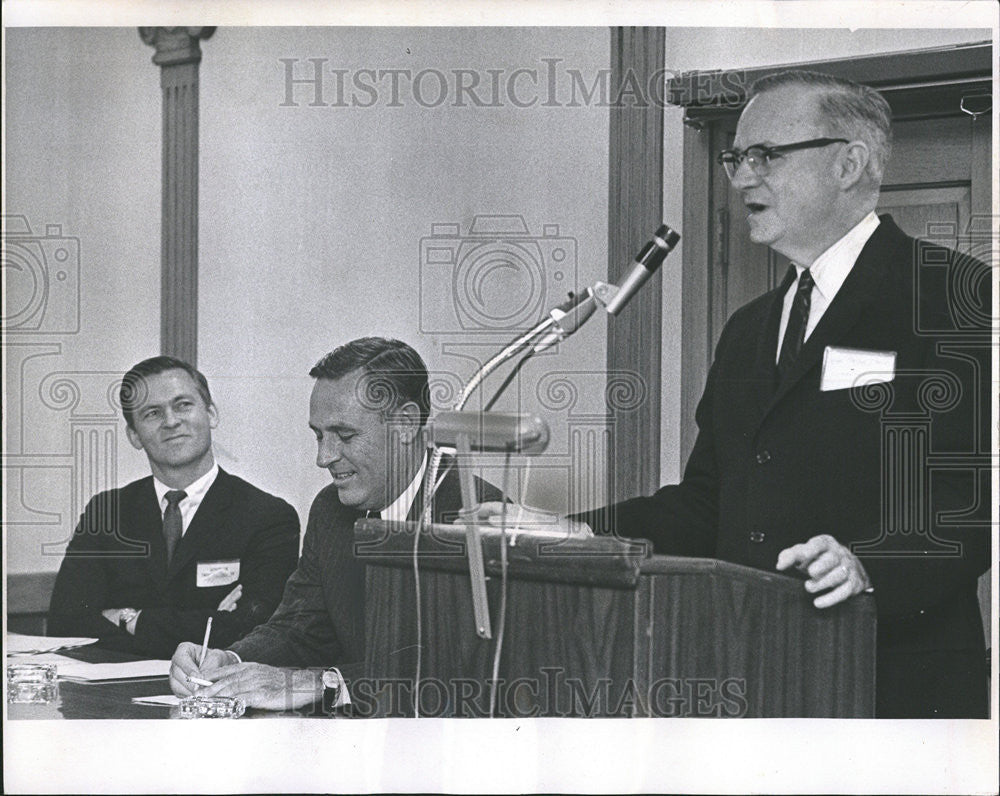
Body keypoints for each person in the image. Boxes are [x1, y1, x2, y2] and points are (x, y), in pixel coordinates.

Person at [477, 70, 991, 718]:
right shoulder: (748, 329)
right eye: (736, 158)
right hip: (751, 677)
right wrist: (576, 531)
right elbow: (705, 507)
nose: (744, 177)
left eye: (766, 155)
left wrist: (869, 565)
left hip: (892, 691)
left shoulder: (953, 297)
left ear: (849, 164)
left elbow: (976, 501)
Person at [169, 337, 501, 712]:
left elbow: (460, 670)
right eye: (318, 435)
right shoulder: (331, 510)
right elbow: (300, 626)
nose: (323, 457)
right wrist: (230, 661)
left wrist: (324, 683)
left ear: (406, 423)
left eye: (344, 435)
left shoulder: (476, 518)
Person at [48, 356, 300, 659]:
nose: (170, 421)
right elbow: (65, 625)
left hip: (213, 692)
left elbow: (253, 627)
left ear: (211, 414)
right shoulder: (107, 512)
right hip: (111, 697)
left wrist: (127, 617)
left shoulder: (268, 516)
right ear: (134, 436)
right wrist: (207, 620)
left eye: (183, 405)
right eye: (152, 413)